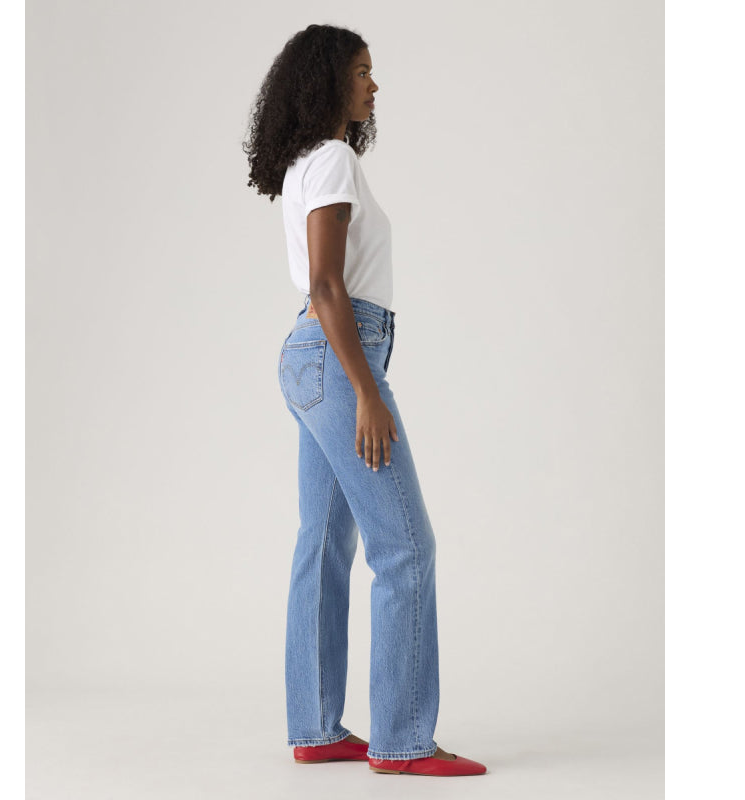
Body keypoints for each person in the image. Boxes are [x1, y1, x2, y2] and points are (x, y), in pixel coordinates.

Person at [243, 24, 487, 778]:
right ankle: (403, 739)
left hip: (311, 355)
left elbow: (320, 288)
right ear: (327, 81)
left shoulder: (309, 162)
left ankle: (317, 727)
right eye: (361, 72)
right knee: (405, 547)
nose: (373, 86)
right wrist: (365, 390)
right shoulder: (334, 160)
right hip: (337, 354)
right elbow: (327, 285)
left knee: (323, 543)